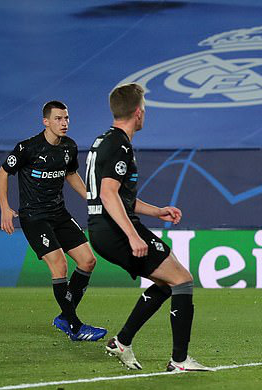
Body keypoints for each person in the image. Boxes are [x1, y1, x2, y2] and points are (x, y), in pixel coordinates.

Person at [86, 83, 210, 372]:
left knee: (168, 282)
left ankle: (122, 341)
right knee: (182, 279)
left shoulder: (105, 140)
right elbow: (108, 193)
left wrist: (157, 211)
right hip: (115, 229)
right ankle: (179, 361)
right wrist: (131, 235)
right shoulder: (119, 144)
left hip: (104, 227)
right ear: (138, 113)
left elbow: (120, 196)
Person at [0, 101, 107, 341]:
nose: (64, 123)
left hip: (59, 214)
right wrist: (5, 208)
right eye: (58, 118)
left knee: (88, 261)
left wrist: (91, 198)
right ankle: (75, 326)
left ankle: (65, 318)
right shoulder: (28, 148)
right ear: (45, 121)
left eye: (66, 118)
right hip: (34, 217)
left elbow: (70, 174)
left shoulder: (69, 147)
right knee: (60, 266)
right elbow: (2, 173)